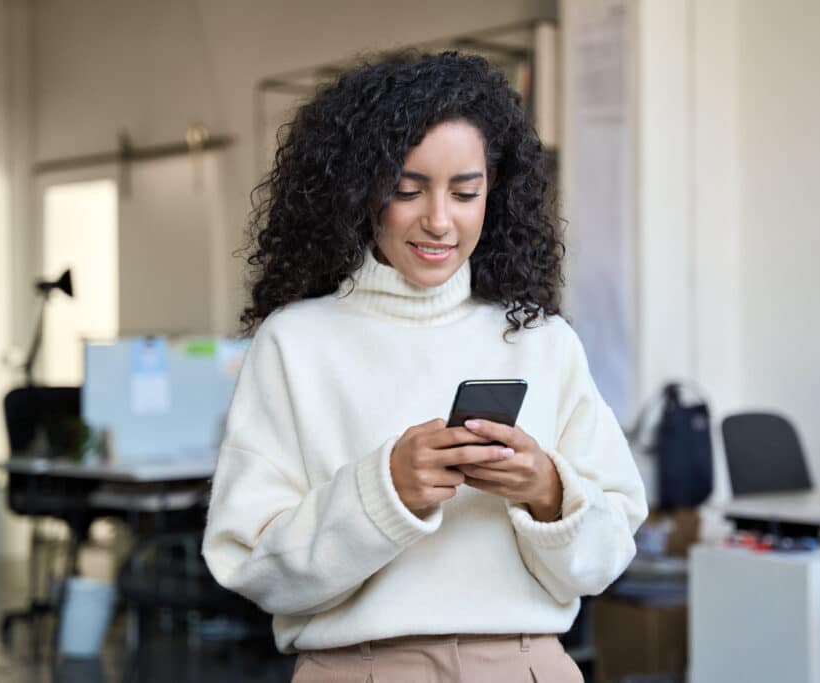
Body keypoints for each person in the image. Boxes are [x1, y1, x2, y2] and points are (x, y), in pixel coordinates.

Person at [203, 50, 647, 682]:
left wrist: (549, 492)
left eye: (466, 192)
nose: (440, 220)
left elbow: (608, 557)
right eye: (407, 190)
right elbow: (252, 566)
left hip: (525, 667)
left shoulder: (542, 340)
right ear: (358, 191)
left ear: (494, 192)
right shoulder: (295, 344)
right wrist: (384, 493)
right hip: (357, 669)